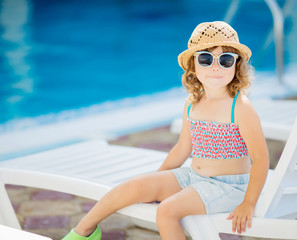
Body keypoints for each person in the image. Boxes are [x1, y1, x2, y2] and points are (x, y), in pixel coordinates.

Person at [62, 21, 269, 240]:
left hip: (228, 188)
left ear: (236, 66)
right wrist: (156, 182)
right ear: (193, 65)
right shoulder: (193, 103)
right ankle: (83, 231)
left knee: (167, 210)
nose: (215, 67)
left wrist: (249, 202)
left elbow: (261, 158)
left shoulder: (239, 106)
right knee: (135, 186)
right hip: (194, 177)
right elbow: (182, 148)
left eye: (225, 60)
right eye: (206, 59)